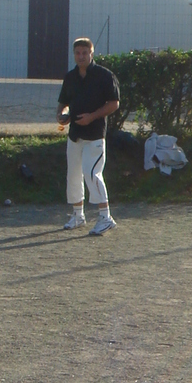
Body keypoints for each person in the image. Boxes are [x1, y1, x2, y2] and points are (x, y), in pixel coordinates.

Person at [57, 38, 120, 236]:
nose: (81, 56)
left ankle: (106, 217)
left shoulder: (104, 75)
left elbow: (114, 103)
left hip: (95, 135)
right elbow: (63, 103)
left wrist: (91, 117)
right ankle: (78, 215)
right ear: (74, 55)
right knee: (73, 174)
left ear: (92, 53)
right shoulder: (70, 77)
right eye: (78, 53)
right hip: (75, 135)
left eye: (85, 53)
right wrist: (61, 115)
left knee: (92, 173)